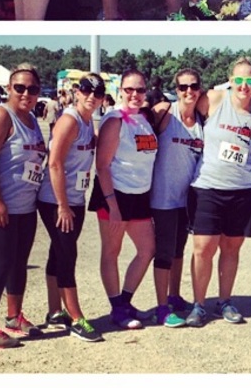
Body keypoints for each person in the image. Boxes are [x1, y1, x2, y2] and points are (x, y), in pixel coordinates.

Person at [185, 57, 251, 326]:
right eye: (239, 80)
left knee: (231, 249)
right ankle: (199, 305)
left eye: (249, 81)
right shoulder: (214, 99)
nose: (244, 86)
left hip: (243, 191)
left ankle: (224, 301)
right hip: (208, 187)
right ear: (230, 81)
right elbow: (184, 110)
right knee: (203, 248)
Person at [0, 64, 47, 348]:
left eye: (32, 89)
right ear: (8, 89)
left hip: (23, 206)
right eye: (20, 88)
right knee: (0, 263)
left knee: (18, 263)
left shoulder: (31, 118)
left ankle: (14, 317)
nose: (26, 93)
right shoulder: (1, 115)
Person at [87, 69, 158, 329]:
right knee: (111, 251)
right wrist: (113, 206)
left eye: (140, 89)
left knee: (147, 249)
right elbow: (102, 166)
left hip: (140, 195)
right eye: (129, 89)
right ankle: (117, 308)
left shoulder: (143, 119)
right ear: (120, 91)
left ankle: (125, 302)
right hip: (115, 195)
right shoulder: (114, 120)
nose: (134, 94)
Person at [37, 73, 105, 342]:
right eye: (87, 90)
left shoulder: (88, 123)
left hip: (75, 199)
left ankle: (55, 311)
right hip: (56, 200)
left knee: (58, 253)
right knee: (68, 255)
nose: (92, 97)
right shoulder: (70, 120)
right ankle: (76, 318)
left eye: (98, 93)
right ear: (77, 91)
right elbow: (54, 164)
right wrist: (62, 206)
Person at [149, 68, 205, 328]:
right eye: (183, 87)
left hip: (187, 200)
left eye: (193, 86)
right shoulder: (165, 113)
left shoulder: (202, 121)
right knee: (163, 252)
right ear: (176, 90)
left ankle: (174, 295)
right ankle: (162, 308)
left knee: (178, 250)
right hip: (163, 198)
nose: (189, 91)